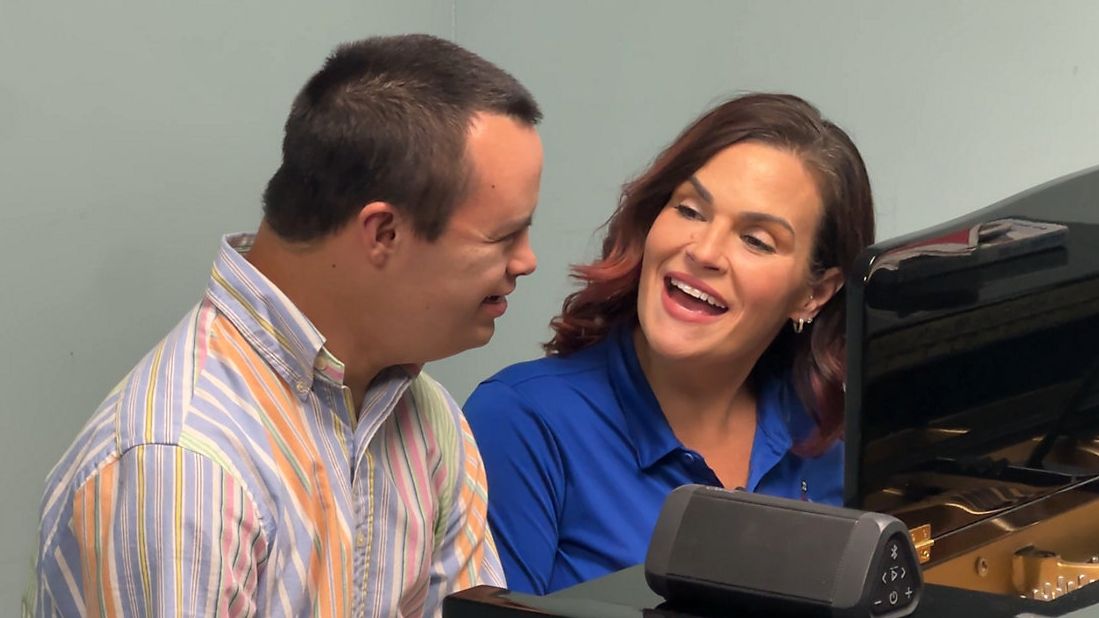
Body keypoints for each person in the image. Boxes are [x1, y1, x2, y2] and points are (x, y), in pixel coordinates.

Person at [30, 34, 542, 617]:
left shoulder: (430, 423)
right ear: (383, 233)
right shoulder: (181, 466)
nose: (527, 261)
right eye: (504, 236)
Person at [465, 93, 875, 594]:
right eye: (689, 210)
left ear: (815, 293)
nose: (703, 251)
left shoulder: (826, 439)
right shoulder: (522, 421)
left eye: (756, 240)